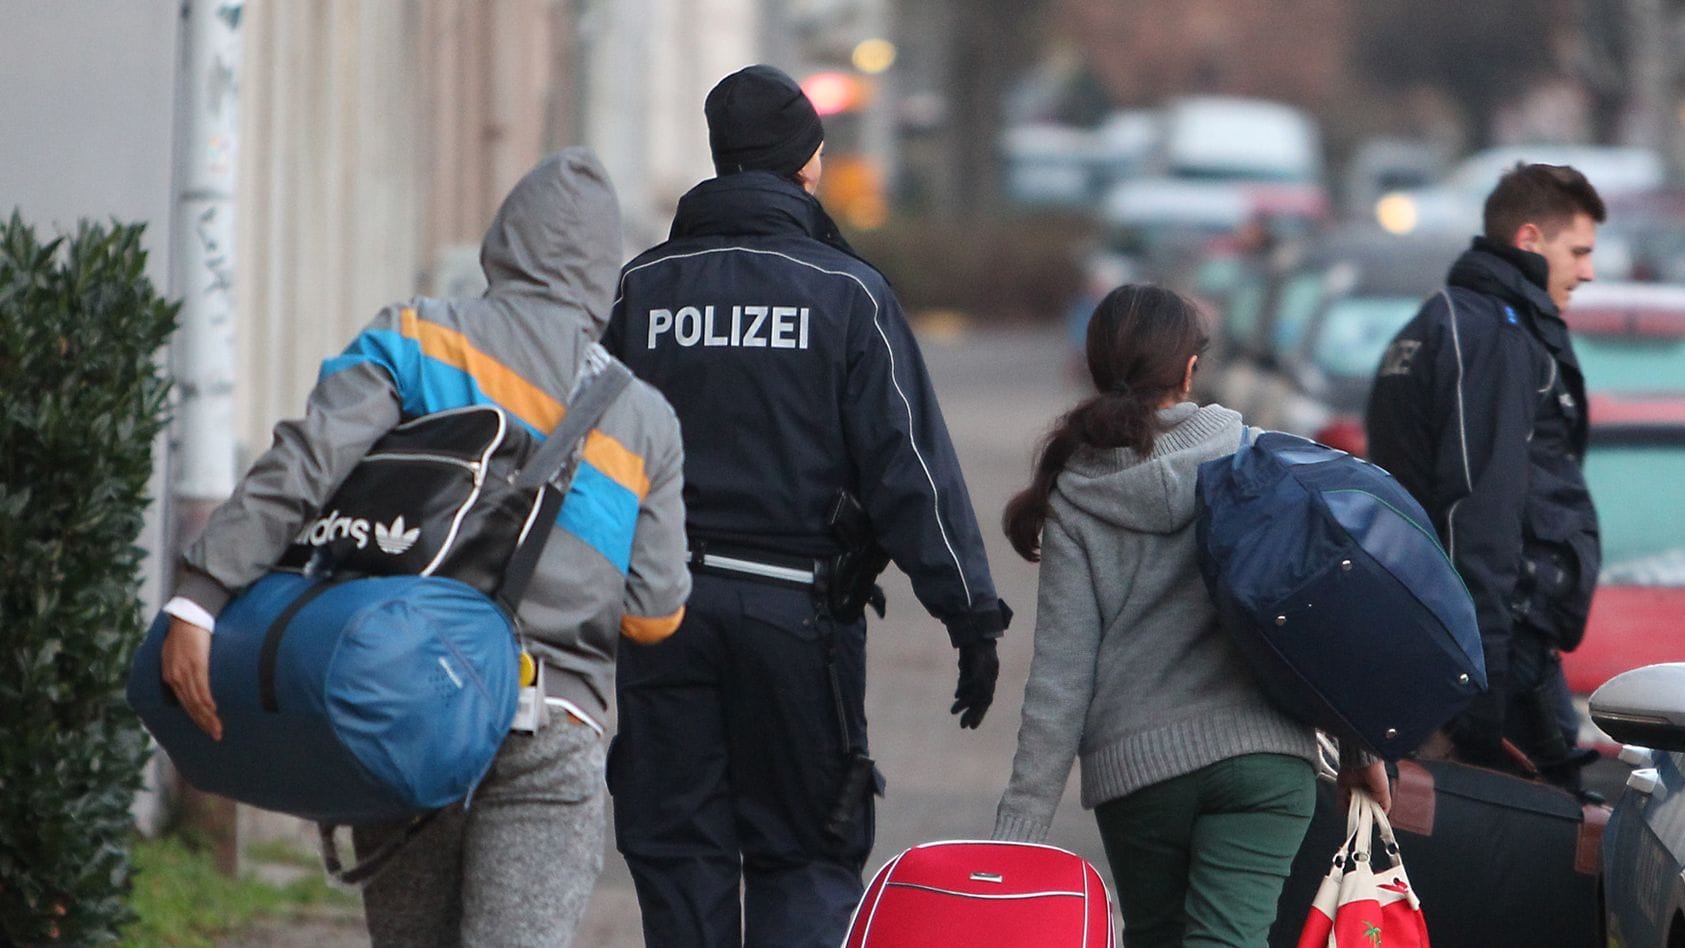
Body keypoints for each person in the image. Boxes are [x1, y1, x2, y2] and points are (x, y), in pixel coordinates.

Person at [158, 148, 692, 947]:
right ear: (602, 275)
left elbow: (304, 464)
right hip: (549, 726)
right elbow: (654, 617)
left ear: (501, 244)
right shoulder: (643, 415)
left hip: (404, 700)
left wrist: (198, 599)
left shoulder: (416, 336)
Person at [602, 63, 1013, 948]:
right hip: (797, 620)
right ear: (804, 165)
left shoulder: (641, 289)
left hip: (660, 616)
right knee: (803, 857)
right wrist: (968, 613)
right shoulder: (847, 294)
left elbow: (593, 457)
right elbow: (911, 469)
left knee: (679, 855)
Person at [993, 284, 1388, 948]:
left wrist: (1019, 834)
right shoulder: (1257, 458)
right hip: (1262, 759)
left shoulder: (1077, 493)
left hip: (1137, 775)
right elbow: (1324, 615)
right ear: (1187, 369)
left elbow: (1061, 676)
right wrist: (1357, 749)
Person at [1366, 163, 1603, 789]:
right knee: (1553, 860)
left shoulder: (1440, 323)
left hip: (1455, 642)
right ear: (1529, 240)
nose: (1588, 272)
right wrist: (1483, 687)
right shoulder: (1492, 336)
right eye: (1577, 252)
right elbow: (1476, 513)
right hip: (1496, 654)